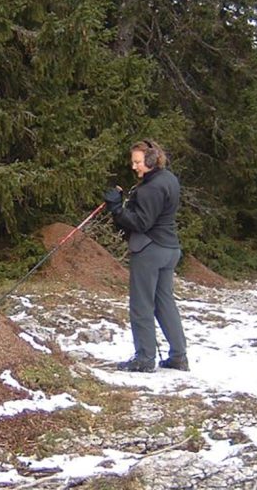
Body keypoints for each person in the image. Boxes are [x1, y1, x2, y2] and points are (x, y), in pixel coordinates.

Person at [103, 140, 189, 372]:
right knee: (164, 302)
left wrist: (117, 209)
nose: (134, 167)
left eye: (138, 162)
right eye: (133, 162)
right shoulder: (168, 178)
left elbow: (141, 223)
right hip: (169, 248)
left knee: (142, 304)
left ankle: (144, 358)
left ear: (151, 161)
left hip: (150, 249)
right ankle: (178, 356)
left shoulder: (151, 188)